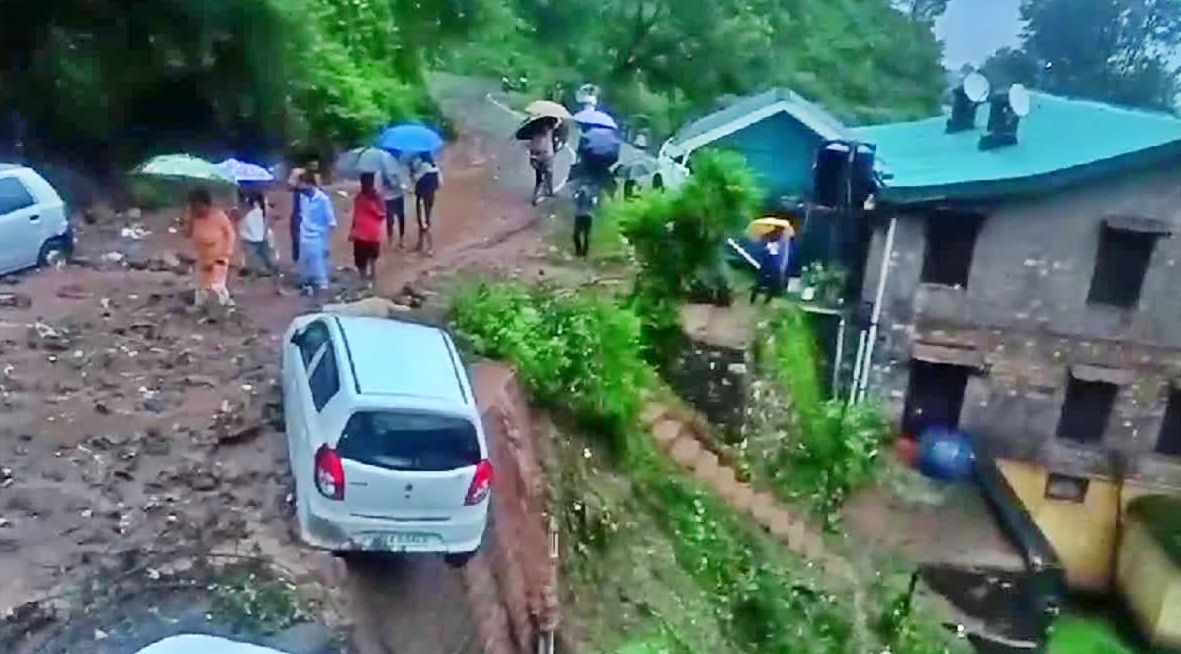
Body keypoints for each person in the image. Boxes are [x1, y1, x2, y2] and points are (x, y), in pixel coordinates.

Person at [186, 187, 236, 308]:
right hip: (202, 257)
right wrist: (187, 220)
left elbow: (230, 234)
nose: (198, 209)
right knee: (202, 286)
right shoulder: (193, 218)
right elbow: (187, 234)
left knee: (216, 285)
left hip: (218, 257)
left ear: (206, 204)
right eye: (194, 206)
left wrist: (226, 253)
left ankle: (223, 306)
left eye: (199, 206)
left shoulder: (219, 215)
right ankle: (200, 307)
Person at [295, 170, 337, 296]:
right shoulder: (303, 198)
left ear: (310, 184)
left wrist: (326, 244)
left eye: (302, 184)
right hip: (304, 238)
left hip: (317, 239)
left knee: (320, 274)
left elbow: (331, 223)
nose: (300, 187)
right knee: (305, 272)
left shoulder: (323, 200)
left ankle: (322, 301)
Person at [238, 192, 281, 292]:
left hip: (260, 240)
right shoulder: (247, 210)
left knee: (271, 264)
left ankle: (277, 287)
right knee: (253, 266)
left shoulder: (261, 210)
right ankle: (248, 287)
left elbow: (270, 221)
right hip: (252, 240)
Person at [350, 172, 385, 284]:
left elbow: (382, 214)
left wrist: (352, 229)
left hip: (366, 234)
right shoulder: (370, 197)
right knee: (368, 260)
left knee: (366, 261)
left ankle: (366, 281)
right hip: (368, 234)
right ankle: (369, 281)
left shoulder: (367, 198)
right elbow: (356, 214)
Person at [750, 225, 792, 304]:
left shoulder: (781, 239)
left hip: (772, 262)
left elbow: (782, 253)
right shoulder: (774, 238)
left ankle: (761, 299)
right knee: (766, 281)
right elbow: (780, 253)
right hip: (771, 262)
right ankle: (758, 298)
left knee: (770, 282)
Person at [412, 153, 441, 256]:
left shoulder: (423, 166)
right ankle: (420, 244)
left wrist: (412, 170)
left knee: (424, 222)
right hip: (430, 197)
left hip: (422, 198)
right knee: (423, 220)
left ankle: (430, 247)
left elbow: (415, 178)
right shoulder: (435, 166)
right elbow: (440, 184)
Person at [378, 150, 408, 248]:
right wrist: (394, 183)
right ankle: (391, 239)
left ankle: (401, 239)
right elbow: (386, 179)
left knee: (400, 216)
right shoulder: (385, 163)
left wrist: (402, 184)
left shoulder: (400, 162)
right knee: (390, 218)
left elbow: (402, 177)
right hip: (389, 195)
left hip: (398, 193)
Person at [529, 118, 557, 206]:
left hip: (535, 156)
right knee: (549, 173)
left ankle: (535, 196)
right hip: (546, 155)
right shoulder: (549, 130)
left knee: (538, 178)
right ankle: (550, 190)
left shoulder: (534, 131)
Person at [572, 184, 598, 258]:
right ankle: (579, 250)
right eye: (582, 190)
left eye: (585, 190)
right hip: (579, 216)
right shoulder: (578, 197)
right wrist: (577, 193)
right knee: (576, 235)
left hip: (587, 217)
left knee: (586, 236)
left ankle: (584, 252)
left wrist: (592, 200)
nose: (583, 192)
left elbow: (594, 205)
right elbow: (573, 199)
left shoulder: (591, 198)